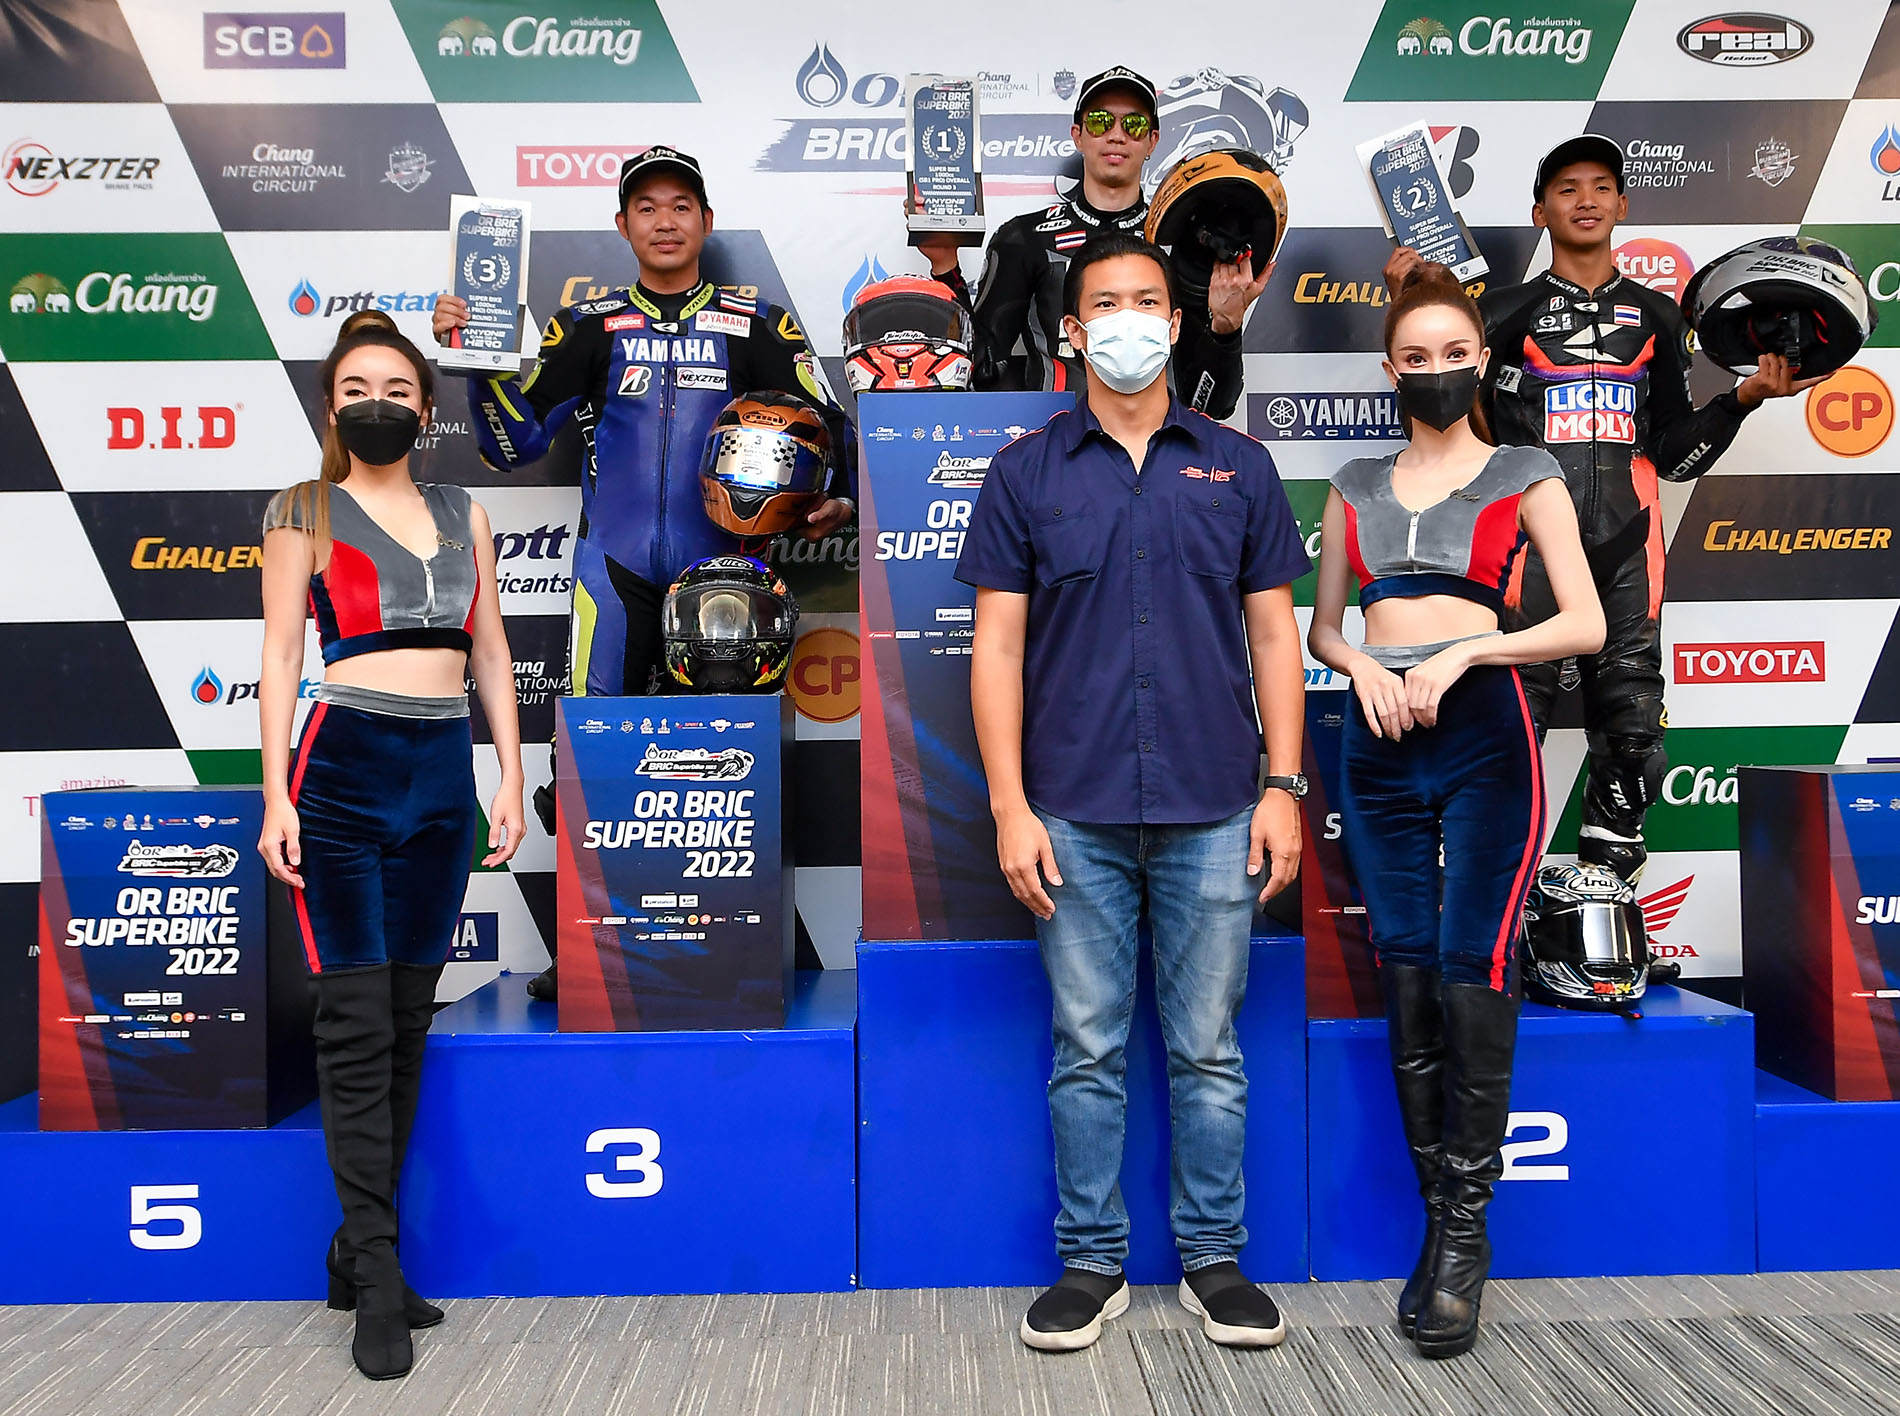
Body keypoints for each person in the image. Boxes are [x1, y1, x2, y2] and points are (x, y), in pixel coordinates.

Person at [957, 232, 1309, 1353]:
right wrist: (1010, 806)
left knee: (1208, 1049)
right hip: (1070, 806)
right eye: (1103, 303)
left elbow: (1275, 636)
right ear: (1071, 330)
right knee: (1087, 1048)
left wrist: (1284, 785)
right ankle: (1090, 1263)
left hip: (1218, 802)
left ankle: (1214, 1259)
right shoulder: (1024, 473)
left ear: (1175, 321)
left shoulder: (1238, 466)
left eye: (1146, 301)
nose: (1126, 320)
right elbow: (996, 650)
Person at [433, 144, 852, 1001]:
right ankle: (589, 949)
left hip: (727, 573)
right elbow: (512, 445)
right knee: (593, 759)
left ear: (707, 220)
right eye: (648, 208)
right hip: (613, 571)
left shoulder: (758, 323)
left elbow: (827, 427)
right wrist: (477, 364)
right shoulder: (587, 326)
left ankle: (743, 944)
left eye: (681, 206)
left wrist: (836, 497)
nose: (665, 221)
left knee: (728, 764)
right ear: (623, 225)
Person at [1384, 135, 1821, 882]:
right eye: (1566, 188)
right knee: (1503, 730)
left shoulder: (1659, 316)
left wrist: (1742, 399)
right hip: (1525, 554)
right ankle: (1492, 907)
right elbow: (1439, 426)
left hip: (1628, 549)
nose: (1584, 200)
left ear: (1622, 203)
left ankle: (1601, 911)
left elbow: (1675, 455)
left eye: (1599, 186)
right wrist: (1412, 304)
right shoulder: (1498, 313)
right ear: (1539, 211)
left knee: (1634, 739)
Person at [1307, 264, 1604, 1359]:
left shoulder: (1527, 473)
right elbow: (1324, 628)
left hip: (1484, 733)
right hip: (1376, 740)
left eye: (1453, 353)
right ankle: (1441, 1220)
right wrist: (1360, 669)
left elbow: (1583, 624)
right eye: (1415, 356)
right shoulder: (1351, 482)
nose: (1435, 370)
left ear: (1481, 361)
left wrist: (1472, 649)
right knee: (1405, 963)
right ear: (1390, 369)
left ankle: (1463, 1237)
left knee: (1473, 961)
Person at [258, 310, 525, 1381]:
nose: (380, 403)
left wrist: (510, 776)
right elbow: (280, 656)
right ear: (332, 407)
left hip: (441, 773)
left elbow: (491, 650)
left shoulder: (465, 511)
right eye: (358, 387)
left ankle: (355, 1248)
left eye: (399, 388)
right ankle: (377, 1274)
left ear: (426, 407)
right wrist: (275, 796)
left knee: (408, 1017)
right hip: (339, 771)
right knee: (357, 1023)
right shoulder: (302, 509)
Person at [919, 67, 1266, 417]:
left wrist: (1227, 327)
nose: (1116, 135)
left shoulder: (1183, 244)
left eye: (1134, 125)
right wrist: (945, 265)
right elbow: (980, 369)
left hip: (1160, 443)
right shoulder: (1025, 238)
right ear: (1078, 135)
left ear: (1152, 141)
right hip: (1057, 441)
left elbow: (1213, 405)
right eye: (1100, 122)